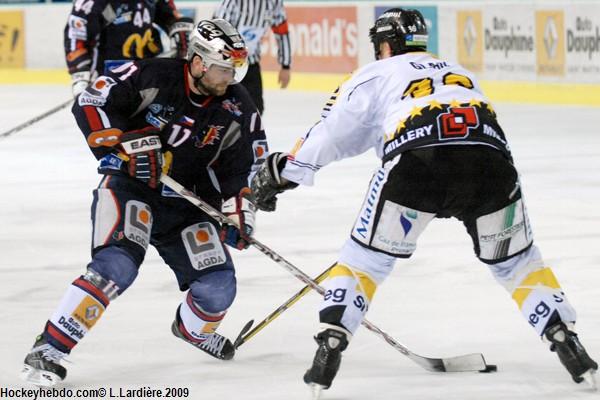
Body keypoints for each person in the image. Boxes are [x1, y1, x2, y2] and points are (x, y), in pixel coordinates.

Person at [251, 7, 598, 394]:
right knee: (517, 262)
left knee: (366, 260)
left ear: (384, 45)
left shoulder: (375, 73)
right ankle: (562, 334)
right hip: (491, 168)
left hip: (418, 167)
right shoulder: (459, 71)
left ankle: (332, 338)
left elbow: (333, 134)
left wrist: (286, 172)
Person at [21, 19, 267, 387]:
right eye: (223, 67)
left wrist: (238, 211)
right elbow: (92, 100)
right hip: (130, 188)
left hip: (187, 206)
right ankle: (50, 348)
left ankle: (192, 331)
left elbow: (243, 168)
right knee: (115, 267)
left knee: (218, 286)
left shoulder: (238, 107)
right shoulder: (154, 75)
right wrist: (125, 143)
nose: (230, 76)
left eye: (235, 69)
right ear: (198, 62)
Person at [64, 0, 195, 98]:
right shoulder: (94, 3)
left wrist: (181, 31)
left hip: (142, 74)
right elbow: (76, 36)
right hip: (107, 78)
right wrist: (80, 75)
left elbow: (171, 17)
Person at [213, 0, 292, 114]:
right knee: (223, 109)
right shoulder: (231, 2)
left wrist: (285, 65)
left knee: (256, 109)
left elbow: (281, 31)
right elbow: (217, 31)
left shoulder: (273, 2)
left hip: (251, 65)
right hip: (226, 66)